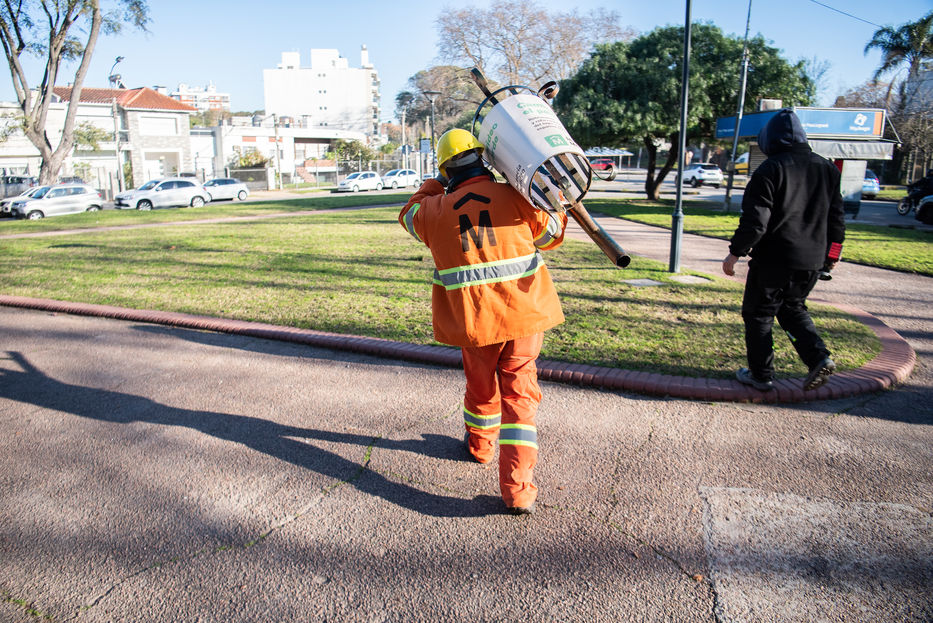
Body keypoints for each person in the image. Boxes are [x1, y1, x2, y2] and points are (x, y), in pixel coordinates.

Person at [398, 128, 568, 515]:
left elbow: (407, 214)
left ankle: (480, 446)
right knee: (520, 401)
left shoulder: (433, 212)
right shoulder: (517, 197)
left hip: (474, 324)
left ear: (445, 170)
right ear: (484, 160)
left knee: (480, 389)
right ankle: (519, 491)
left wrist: (435, 184)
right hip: (524, 319)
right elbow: (552, 235)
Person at [722, 108, 845, 392]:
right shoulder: (827, 168)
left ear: (770, 139)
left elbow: (756, 221)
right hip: (812, 260)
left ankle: (761, 375)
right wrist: (832, 256)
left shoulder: (770, 169)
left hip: (773, 260)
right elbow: (837, 219)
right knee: (793, 309)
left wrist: (735, 253)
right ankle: (819, 357)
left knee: (759, 314)